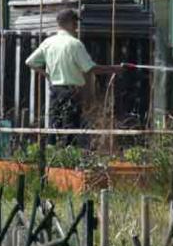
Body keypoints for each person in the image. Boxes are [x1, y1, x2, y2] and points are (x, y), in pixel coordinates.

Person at [25, 9, 123, 145]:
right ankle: (68, 158)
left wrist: (47, 75)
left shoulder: (48, 42)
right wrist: (114, 69)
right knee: (71, 127)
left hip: (55, 90)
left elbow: (30, 62)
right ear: (70, 23)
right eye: (75, 22)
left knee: (55, 124)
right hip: (72, 91)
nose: (77, 26)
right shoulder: (74, 44)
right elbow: (90, 68)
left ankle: (52, 156)